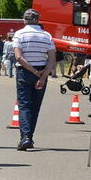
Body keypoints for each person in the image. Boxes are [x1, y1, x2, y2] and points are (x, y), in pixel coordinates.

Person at [12, 8, 56, 151]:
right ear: (38, 20)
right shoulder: (46, 35)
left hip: (25, 71)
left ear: (24, 20)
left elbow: (18, 57)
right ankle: (29, 136)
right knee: (35, 107)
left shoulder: (19, 34)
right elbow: (52, 58)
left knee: (24, 105)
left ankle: (25, 137)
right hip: (42, 70)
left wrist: (33, 71)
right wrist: (42, 75)